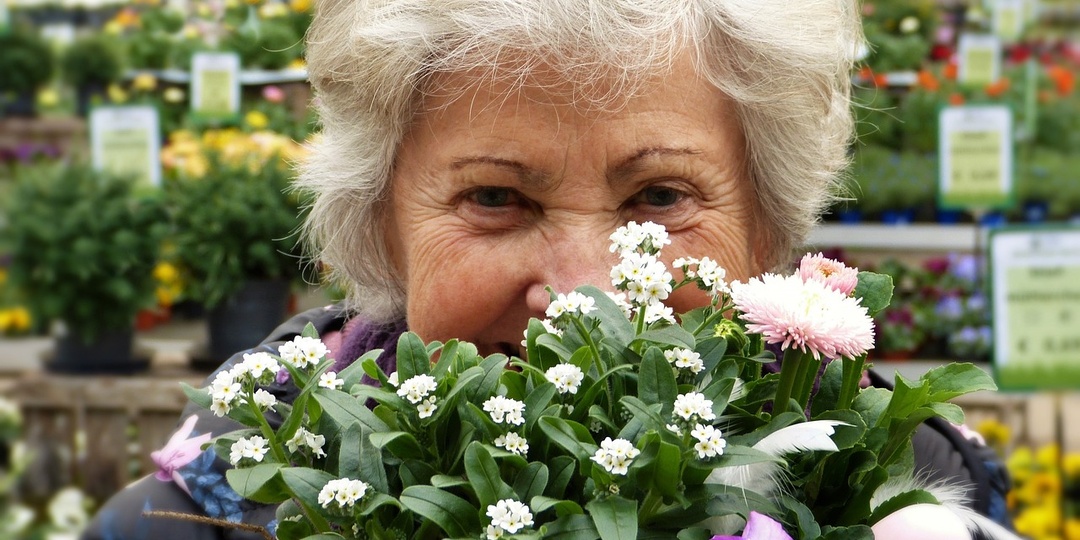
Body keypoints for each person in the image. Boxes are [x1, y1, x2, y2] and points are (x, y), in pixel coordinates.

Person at [82, 1, 1010, 539]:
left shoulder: (906, 500)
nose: (580, 297)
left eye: (657, 199)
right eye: (495, 199)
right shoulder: (196, 521)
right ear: (380, 223)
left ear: (767, 226)